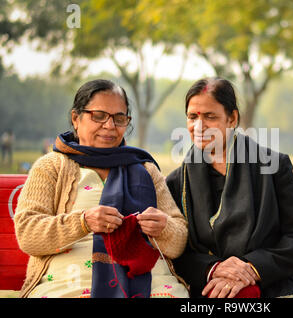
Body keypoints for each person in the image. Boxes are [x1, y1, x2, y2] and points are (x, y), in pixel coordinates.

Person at [14, 79, 189, 298]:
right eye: (98, 116)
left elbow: (179, 239)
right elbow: (28, 233)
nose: (109, 126)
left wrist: (163, 227)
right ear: (76, 118)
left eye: (119, 118)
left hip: (149, 284)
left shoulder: (146, 170)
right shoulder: (52, 166)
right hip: (70, 285)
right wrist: (83, 222)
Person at [166, 77, 293, 298]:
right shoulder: (177, 183)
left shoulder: (272, 168)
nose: (199, 127)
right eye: (192, 117)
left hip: (275, 282)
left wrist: (252, 267)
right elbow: (177, 251)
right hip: (212, 287)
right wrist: (215, 269)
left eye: (210, 116)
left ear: (232, 118)